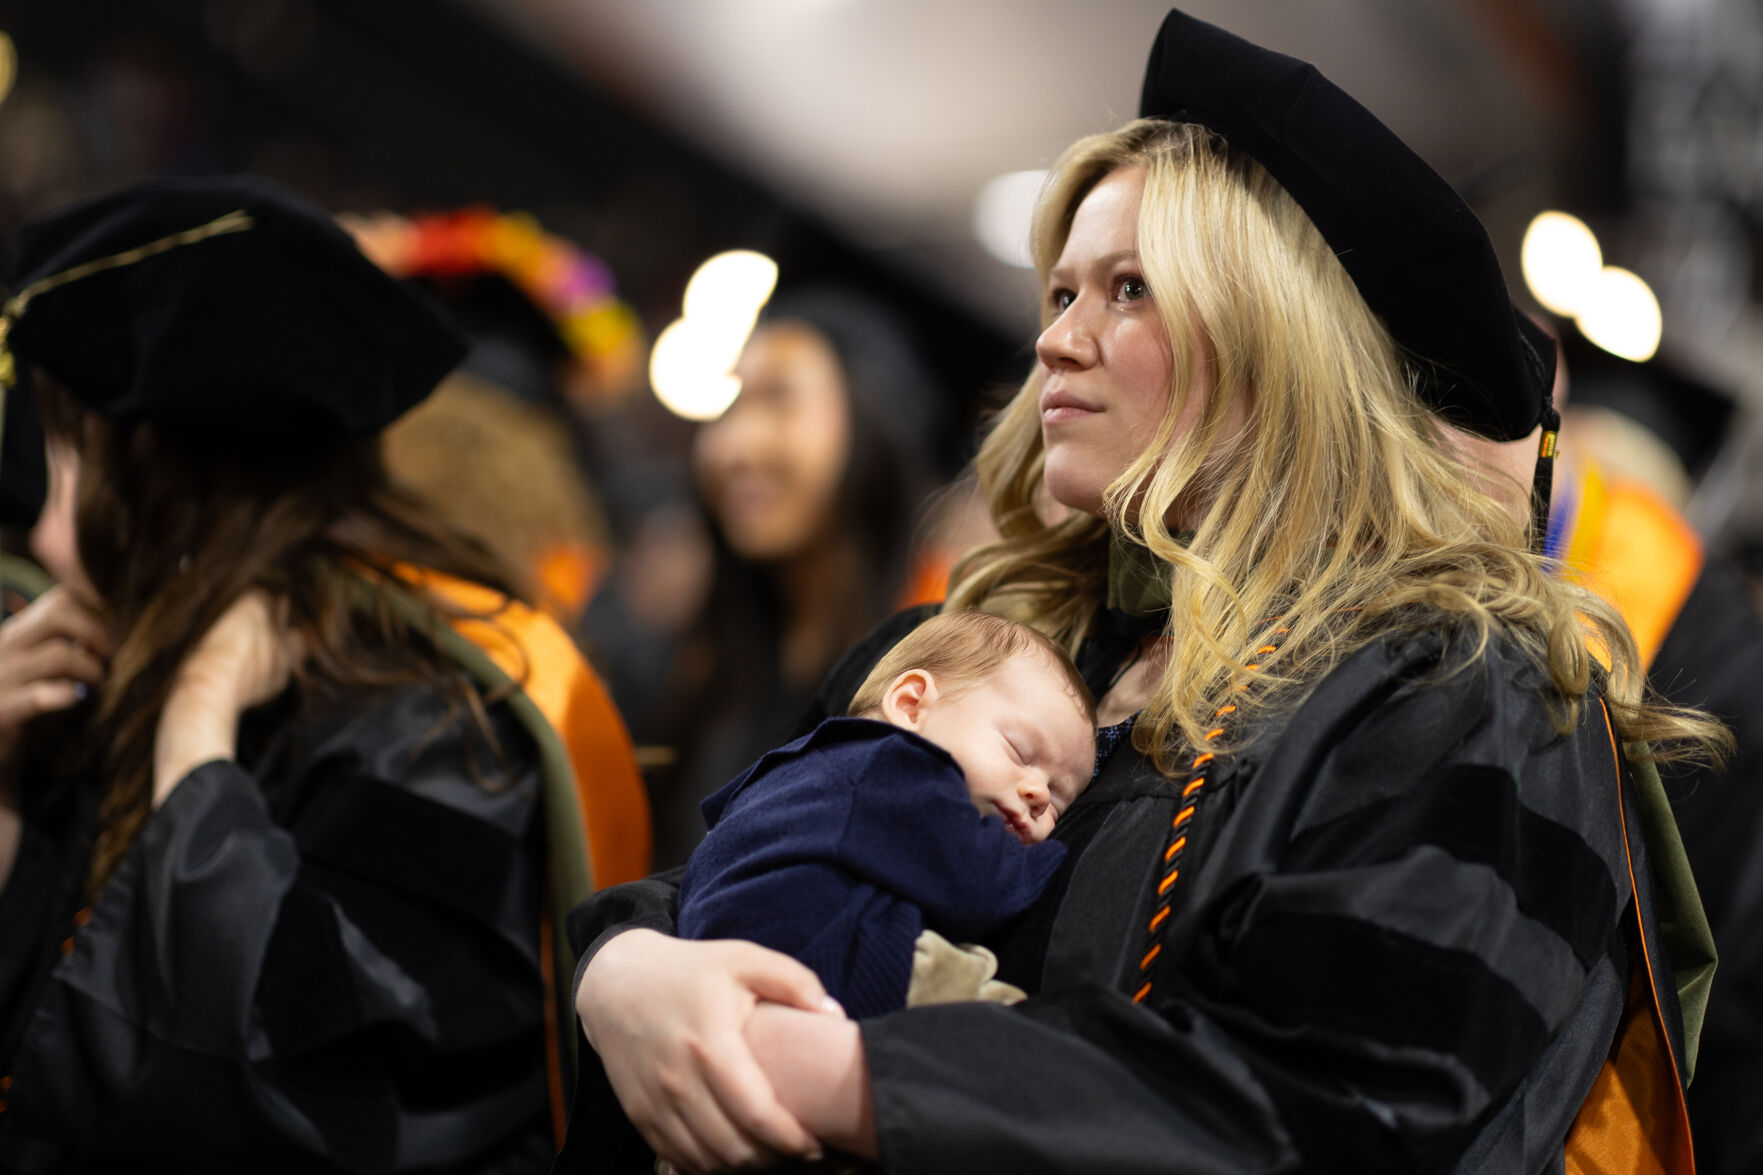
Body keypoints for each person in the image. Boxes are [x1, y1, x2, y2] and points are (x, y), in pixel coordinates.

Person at [556, 12, 1728, 1174]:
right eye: (1060, 293)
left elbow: (1330, 1109)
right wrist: (629, 969)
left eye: (1127, 288)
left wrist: (838, 1078)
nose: (1059, 339)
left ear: (1275, 343)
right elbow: (771, 851)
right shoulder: (1037, 642)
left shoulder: (1466, 691)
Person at [0, 175, 648, 1173]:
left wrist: (196, 739)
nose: (45, 524)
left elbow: (289, 1091)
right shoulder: (117, 651)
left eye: (73, 461)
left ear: (164, 484)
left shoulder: (436, 728)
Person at [585, 286, 951, 868]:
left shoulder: (936, 679)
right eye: (730, 406)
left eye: (778, 400)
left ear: (872, 419)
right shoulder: (709, 653)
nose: (734, 445)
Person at [673, 611, 1096, 1019]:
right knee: (992, 1011)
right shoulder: (898, 769)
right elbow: (982, 886)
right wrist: (1055, 857)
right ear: (911, 705)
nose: (1038, 793)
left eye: (1059, 802)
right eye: (1020, 751)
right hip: (810, 968)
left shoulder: (809, 767)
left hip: (710, 969)